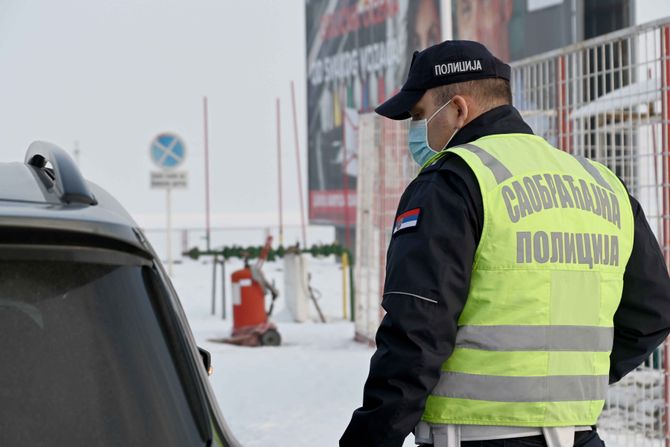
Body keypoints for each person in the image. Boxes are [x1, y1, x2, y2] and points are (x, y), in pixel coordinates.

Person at [340, 40, 670, 447]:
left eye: (421, 115)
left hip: (475, 436)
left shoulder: (452, 182)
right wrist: (569, 382)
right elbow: (653, 313)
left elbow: (417, 332)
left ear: (458, 109)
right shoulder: (603, 185)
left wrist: (370, 437)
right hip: (581, 437)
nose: (417, 131)